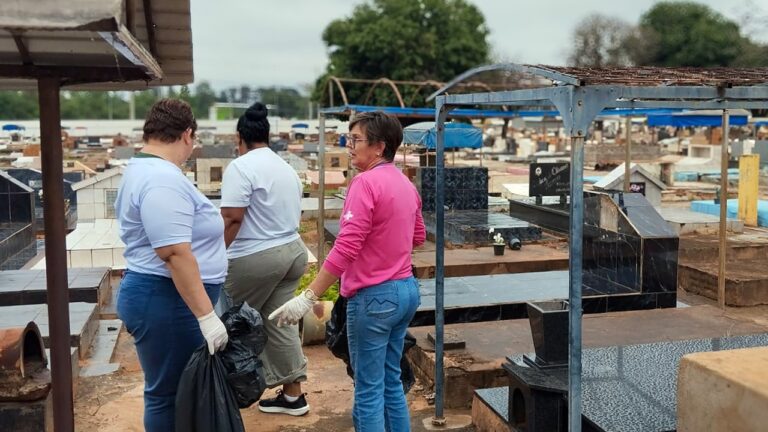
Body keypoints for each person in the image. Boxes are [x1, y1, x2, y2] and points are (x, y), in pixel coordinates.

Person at [270, 111, 425, 431]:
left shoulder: (365, 183)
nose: (349, 146)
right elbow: (418, 236)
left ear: (379, 147)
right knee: (390, 381)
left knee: (368, 389)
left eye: (356, 140)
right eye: (348, 139)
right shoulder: (405, 183)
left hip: (375, 297)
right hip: (405, 291)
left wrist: (308, 296)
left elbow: (346, 247)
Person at [115, 99, 229, 432]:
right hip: (167, 300)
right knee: (169, 394)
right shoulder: (161, 180)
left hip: (168, 298)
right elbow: (175, 254)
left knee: (175, 391)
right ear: (186, 135)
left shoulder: (146, 171)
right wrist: (207, 317)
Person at [220, 102, 310, 416]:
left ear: (239, 138)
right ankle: (293, 396)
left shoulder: (240, 167)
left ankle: (218, 396)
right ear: (267, 136)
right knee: (280, 322)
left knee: (222, 323)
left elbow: (232, 218)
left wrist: (214, 256)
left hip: (256, 258)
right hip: (293, 253)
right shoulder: (285, 167)